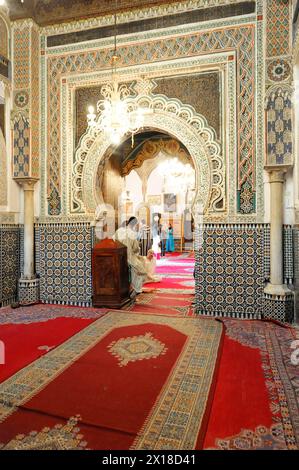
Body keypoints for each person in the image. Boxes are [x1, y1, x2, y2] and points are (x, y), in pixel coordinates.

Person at [113, 217, 147, 295]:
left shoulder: (119, 231)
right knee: (142, 271)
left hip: (117, 257)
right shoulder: (132, 233)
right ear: (134, 224)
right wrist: (137, 250)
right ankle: (136, 289)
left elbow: (113, 242)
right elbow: (135, 248)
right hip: (129, 258)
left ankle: (131, 288)